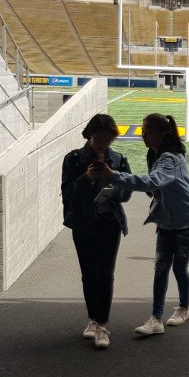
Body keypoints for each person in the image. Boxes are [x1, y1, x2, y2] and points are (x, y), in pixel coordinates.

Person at [94, 113, 189, 335]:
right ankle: (156, 318)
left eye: (148, 132)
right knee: (161, 267)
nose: (144, 136)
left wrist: (113, 175)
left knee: (179, 267)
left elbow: (152, 180)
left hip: (188, 219)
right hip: (167, 219)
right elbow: (155, 185)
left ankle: (184, 308)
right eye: (143, 131)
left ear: (162, 133)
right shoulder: (154, 154)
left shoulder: (170, 158)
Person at [61, 114, 132, 349]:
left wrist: (114, 184)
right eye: (99, 138)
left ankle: (102, 324)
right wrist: (87, 178)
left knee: (106, 273)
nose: (104, 144)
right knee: (88, 273)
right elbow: (68, 194)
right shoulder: (73, 159)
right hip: (83, 222)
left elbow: (127, 194)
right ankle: (93, 318)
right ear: (89, 135)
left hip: (109, 222)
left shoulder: (119, 159)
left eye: (108, 139)